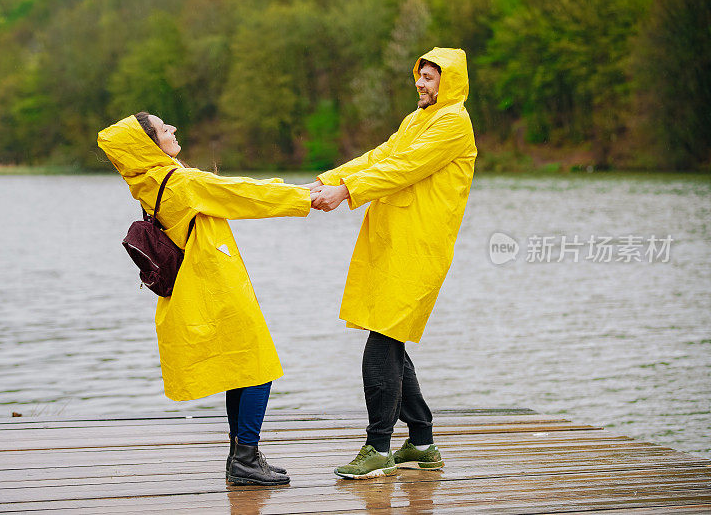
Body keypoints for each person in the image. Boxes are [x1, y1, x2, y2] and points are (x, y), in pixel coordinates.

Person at [98, 112, 312, 486]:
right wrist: (308, 196)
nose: (174, 130)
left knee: (239, 369)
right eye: (165, 130)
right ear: (150, 145)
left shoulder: (148, 181)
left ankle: (241, 458)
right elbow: (244, 194)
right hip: (216, 287)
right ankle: (245, 457)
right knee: (258, 368)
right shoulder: (180, 181)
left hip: (196, 288)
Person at [307, 48, 477, 479]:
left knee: (382, 342)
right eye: (420, 75)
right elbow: (381, 155)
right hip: (394, 241)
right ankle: (422, 442)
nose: (421, 83)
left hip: (418, 247)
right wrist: (330, 179)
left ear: (450, 83)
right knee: (391, 338)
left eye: (431, 78)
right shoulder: (417, 119)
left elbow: (403, 168)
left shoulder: (454, 124)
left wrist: (346, 192)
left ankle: (377, 447)